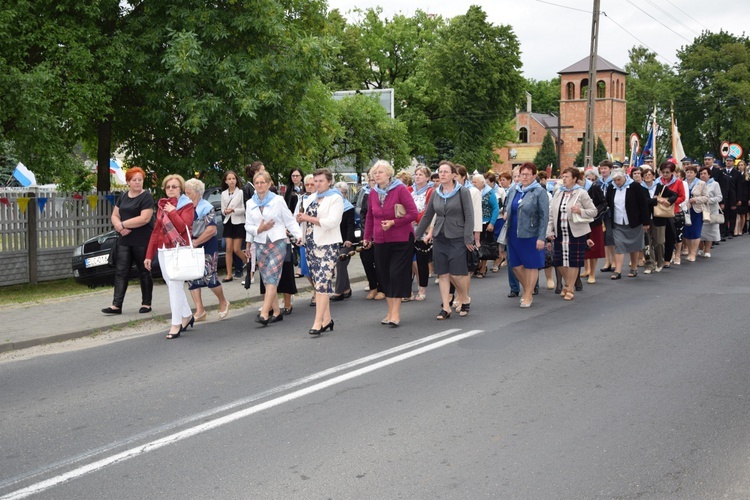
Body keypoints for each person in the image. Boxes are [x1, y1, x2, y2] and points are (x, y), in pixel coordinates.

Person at [415, 161, 474, 320]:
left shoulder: (462, 192)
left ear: (454, 175)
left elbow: (469, 215)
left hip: (457, 237)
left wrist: (469, 238)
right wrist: (416, 234)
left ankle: (464, 297)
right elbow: (428, 216)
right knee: (443, 274)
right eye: (440, 172)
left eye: (446, 172)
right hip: (440, 236)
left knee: (457, 274)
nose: (442, 174)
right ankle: (446, 307)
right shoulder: (436, 192)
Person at [362, 160, 418, 327]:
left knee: (396, 274)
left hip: (401, 239)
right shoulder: (373, 193)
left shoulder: (400, 189)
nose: (376, 175)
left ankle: (396, 313)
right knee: (384, 276)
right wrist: (367, 237)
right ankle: (389, 311)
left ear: (389, 174)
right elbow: (370, 217)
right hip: (380, 240)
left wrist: (394, 222)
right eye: (375, 173)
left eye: (380, 172)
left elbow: (413, 213)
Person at [245, 170, 302, 326]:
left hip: (278, 242)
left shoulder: (277, 200)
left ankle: (264, 313)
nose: (260, 185)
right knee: (266, 277)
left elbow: (289, 220)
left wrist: (298, 235)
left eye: (263, 182)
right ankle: (276, 312)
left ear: (269, 184)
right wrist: (258, 230)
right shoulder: (250, 203)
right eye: (257, 183)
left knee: (272, 275)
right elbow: (248, 226)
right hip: (260, 243)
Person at [144, 174, 195, 339]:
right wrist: (149, 255)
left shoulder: (187, 205)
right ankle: (187, 315)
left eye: (175, 186)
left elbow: (183, 227)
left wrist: (173, 212)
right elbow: (156, 231)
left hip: (179, 250)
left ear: (181, 189)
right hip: (163, 250)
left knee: (174, 285)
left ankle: (176, 323)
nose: (171, 189)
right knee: (173, 284)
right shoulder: (162, 205)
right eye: (168, 187)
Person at [296, 168, 343, 335]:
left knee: (322, 283)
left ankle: (318, 322)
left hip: (328, 244)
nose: (317, 184)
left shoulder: (336, 198)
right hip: (310, 244)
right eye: (315, 181)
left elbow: (332, 222)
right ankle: (327, 319)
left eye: (320, 181)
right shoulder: (310, 198)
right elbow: (304, 220)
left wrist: (308, 218)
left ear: (329, 182)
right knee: (318, 284)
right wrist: (300, 220)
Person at [103, 167, 155, 315]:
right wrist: (119, 227)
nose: (138, 183)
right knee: (121, 272)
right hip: (124, 239)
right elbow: (115, 215)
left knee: (144, 271)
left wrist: (123, 224)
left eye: (140, 180)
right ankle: (116, 305)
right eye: (134, 180)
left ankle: (146, 303)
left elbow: (144, 219)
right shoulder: (124, 196)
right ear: (128, 182)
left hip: (142, 239)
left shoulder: (147, 197)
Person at [501, 162, 549, 308]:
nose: (525, 177)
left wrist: (541, 237)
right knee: (515, 266)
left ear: (534, 176)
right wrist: (507, 212)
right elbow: (508, 206)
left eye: (528, 174)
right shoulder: (514, 190)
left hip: (531, 234)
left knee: (531, 266)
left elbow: (544, 216)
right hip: (513, 233)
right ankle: (528, 288)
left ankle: (528, 294)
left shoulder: (539, 192)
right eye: (522, 174)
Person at [546, 168, 598, 300]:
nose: (564, 179)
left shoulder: (581, 193)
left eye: (567, 176)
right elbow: (551, 214)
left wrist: (580, 211)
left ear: (574, 179)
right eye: (563, 176)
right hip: (560, 232)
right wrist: (549, 231)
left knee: (573, 261)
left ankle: (569, 289)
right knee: (559, 261)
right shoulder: (558, 192)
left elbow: (593, 211)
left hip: (576, 232)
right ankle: (569, 283)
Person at [184, 178, 230, 321]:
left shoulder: (206, 207)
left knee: (209, 277)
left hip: (206, 244)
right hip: (191, 244)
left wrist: (197, 241)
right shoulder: (185, 207)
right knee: (192, 278)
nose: (186, 196)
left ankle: (223, 301)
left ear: (197, 193)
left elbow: (211, 230)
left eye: (188, 193)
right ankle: (200, 310)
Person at [605, 169, 650, 280]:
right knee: (619, 245)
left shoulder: (635, 187)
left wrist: (646, 222)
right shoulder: (611, 188)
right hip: (617, 222)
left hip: (634, 221)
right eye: (615, 180)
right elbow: (607, 203)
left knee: (634, 246)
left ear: (625, 177)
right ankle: (618, 270)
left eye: (619, 179)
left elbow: (643, 205)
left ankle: (633, 268)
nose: (617, 182)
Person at [409, 164, 435, 301]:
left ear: (427, 178)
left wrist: (413, 217)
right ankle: (408, 289)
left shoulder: (430, 192)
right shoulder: (409, 191)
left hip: (423, 230)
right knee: (407, 260)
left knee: (421, 261)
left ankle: (422, 288)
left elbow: (428, 212)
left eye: (420, 174)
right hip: (408, 230)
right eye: (416, 174)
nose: (417, 177)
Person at [642, 167, 674, 274]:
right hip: (645, 219)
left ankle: (659, 262)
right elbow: (644, 202)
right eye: (645, 175)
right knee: (646, 243)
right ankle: (649, 264)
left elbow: (675, 195)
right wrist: (655, 200)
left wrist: (667, 201)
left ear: (654, 176)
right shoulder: (640, 188)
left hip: (659, 218)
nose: (648, 177)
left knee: (659, 242)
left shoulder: (661, 187)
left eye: (650, 175)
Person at [358, 170, 383, 300]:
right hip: (368, 234)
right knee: (366, 259)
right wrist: (366, 235)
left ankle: (382, 288)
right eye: (371, 180)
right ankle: (373, 286)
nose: (373, 182)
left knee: (380, 262)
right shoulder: (367, 195)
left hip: (382, 234)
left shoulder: (386, 194)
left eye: (374, 180)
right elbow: (363, 215)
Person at [220, 170, 248, 281]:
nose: (232, 181)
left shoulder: (240, 192)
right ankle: (229, 274)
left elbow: (244, 209)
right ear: (226, 181)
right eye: (229, 179)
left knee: (237, 249)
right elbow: (222, 209)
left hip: (239, 222)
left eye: (233, 178)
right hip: (228, 222)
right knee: (228, 249)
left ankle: (250, 264)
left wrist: (234, 210)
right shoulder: (223, 194)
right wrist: (225, 211)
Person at [330, 181, 356, 302]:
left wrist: (349, 239)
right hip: (334, 240)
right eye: (339, 192)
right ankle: (347, 289)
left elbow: (351, 225)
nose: (342, 195)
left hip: (346, 240)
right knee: (341, 265)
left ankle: (338, 291)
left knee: (341, 261)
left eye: (344, 193)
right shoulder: (331, 206)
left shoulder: (348, 207)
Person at [656, 162, 686, 267]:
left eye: (667, 172)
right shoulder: (657, 182)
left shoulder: (678, 182)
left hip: (672, 212)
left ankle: (668, 259)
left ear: (672, 172)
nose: (664, 174)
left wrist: (670, 201)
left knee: (670, 236)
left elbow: (682, 197)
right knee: (658, 237)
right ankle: (658, 258)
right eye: (663, 172)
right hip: (658, 212)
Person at [580, 168, 607, 283]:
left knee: (594, 248)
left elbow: (603, 203)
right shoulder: (575, 189)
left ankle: (592, 273)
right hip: (580, 221)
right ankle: (586, 269)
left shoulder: (594, 188)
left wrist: (595, 212)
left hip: (593, 222)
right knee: (583, 247)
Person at [472, 174, 499, 278]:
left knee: (485, 246)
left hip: (486, 222)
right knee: (475, 245)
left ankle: (483, 267)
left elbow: (495, 208)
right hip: (475, 222)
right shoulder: (473, 192)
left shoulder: (490, 193)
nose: (473, 184)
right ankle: (476, 265)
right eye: (473, 182)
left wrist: (492, 222)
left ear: (482, 183)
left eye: (475, 182)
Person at [683, 164, 708, 261]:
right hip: (686, 209)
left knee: (695, 231)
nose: (689, 174)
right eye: (687, 172)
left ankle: (693, 252)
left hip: (697, 210)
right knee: (687, 232)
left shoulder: (701, 183)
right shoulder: (682, 183)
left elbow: (706, 197)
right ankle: (689, 251)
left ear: (695, 173)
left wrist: (696, 199)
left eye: (691, 172)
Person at [700, 166, 722, 258]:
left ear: (709, 174)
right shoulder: (697, 183)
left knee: (710, 231)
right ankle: (701, 248)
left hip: (711, 210)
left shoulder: (715, 184)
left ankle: (707, 250)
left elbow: (719, 197)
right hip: (700, 210)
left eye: (705, 173)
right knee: (700, 231)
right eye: (701, 174)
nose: (703, 175)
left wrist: (708, 200)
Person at [734, 160, 749, 236]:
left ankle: (741, 229)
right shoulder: (736, 174)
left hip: (745, 197)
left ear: (744, 166)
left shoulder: (747, 176)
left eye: (742, 165)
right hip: (737, 196)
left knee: (743, 214)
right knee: (737, 214)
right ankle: (736, 229)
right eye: (739, 165)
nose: (740, 166)